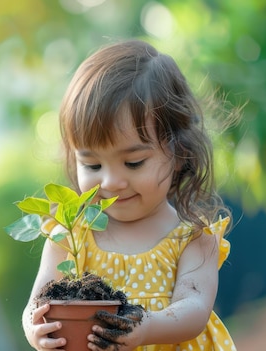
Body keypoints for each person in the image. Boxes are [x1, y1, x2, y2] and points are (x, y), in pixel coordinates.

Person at [22, 39, 237, 351]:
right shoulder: (69, 237)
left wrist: (147, 326)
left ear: (179, 153)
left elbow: (194, 309)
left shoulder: (191, 238)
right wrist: (34, 326)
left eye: (133, 162)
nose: (111, 181)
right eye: (92, 164)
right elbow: (37, 302)